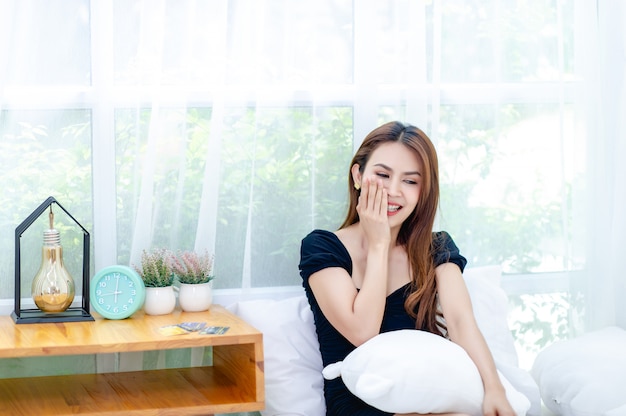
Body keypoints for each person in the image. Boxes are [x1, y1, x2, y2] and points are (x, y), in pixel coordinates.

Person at [299, 121, 515, 416]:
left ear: (423, 190)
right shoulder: (322, 247)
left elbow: (461, 321)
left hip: (430, 399)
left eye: (410, 181)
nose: (393, 191)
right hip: (358, 404)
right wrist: (378, 244)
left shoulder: (436, 248)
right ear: (358, 175)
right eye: (383, 175)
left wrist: (494, 389)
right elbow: (363, 332)